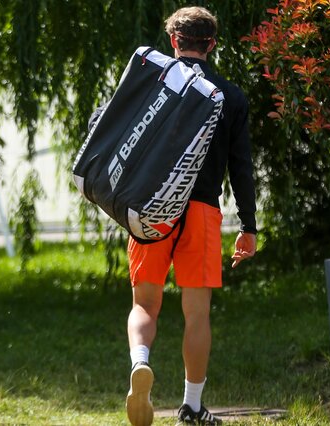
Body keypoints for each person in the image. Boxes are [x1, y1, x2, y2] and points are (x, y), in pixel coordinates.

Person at [123, 7, 257, 426]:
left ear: (173, 42)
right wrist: (249, 226)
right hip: (201, 211)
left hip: (151, 210)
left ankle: (139, 363)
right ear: (212, 45)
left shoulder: (152, 83)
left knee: (145, 303)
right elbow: (241, 166)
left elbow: (107, 127)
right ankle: (193, 406)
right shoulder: (230, 95)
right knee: (196, 313)